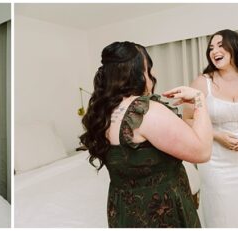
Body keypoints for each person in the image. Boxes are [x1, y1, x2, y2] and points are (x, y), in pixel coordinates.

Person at [79, 41, 213, 228]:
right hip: (161, 213)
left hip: (124, 210)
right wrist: (200, 100)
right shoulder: (145, 111)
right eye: (149, 69)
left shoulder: (102, 112)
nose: (153, 74)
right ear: (136, 74)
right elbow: (203, 152)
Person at [184, 29, 238, 227]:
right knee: (218, 206)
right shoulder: (202, 82)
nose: (214, 50)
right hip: (215, 159)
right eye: (210, 48)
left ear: (236, 47)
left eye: (220, 45)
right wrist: (217, 135)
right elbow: (188, 119)